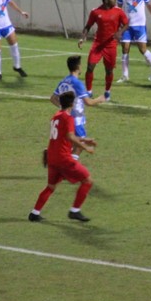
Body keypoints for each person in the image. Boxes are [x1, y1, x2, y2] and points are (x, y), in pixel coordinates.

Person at [28, 91, 96, 223]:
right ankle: (75, 210)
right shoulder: (68, 118)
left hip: (52, 158)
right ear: (72, 104)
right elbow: (70, 136)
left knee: (50, 186)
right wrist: (85, 147)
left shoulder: (56, 116)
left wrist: (85, 140)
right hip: (63, 158)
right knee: (87, 181)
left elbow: (64, 136)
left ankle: (34, 213)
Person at [50, 55, 106, 159]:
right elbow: (88, 102)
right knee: (80, 144)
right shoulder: (77, 83)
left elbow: (53, 98)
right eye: (80, 65)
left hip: (65, 118)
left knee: (70, 144)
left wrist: (64, 108)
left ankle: (66, 162)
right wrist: (100, 99)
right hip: (76, 120)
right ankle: (69, 165)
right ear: (78, 67)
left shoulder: (64, 81)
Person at [78, 0, 128, 101]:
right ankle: (89, 91)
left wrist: (119, 32)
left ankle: (107, 91)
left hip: (111, 45)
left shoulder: (119, 11)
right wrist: (82, 38)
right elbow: (88, 26)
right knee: (90, 67)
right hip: (98, 44)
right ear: (106, 1)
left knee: (109, 70)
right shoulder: (95, 12)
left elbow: (126, 24)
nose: (115, 0)